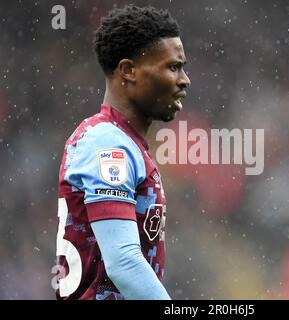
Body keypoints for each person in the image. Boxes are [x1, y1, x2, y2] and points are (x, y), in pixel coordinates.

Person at [53, 5, 190, 300]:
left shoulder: (122, 142)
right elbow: (124, 263)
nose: (184, 80)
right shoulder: (107, 145)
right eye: (173, 67)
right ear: (128, 71)